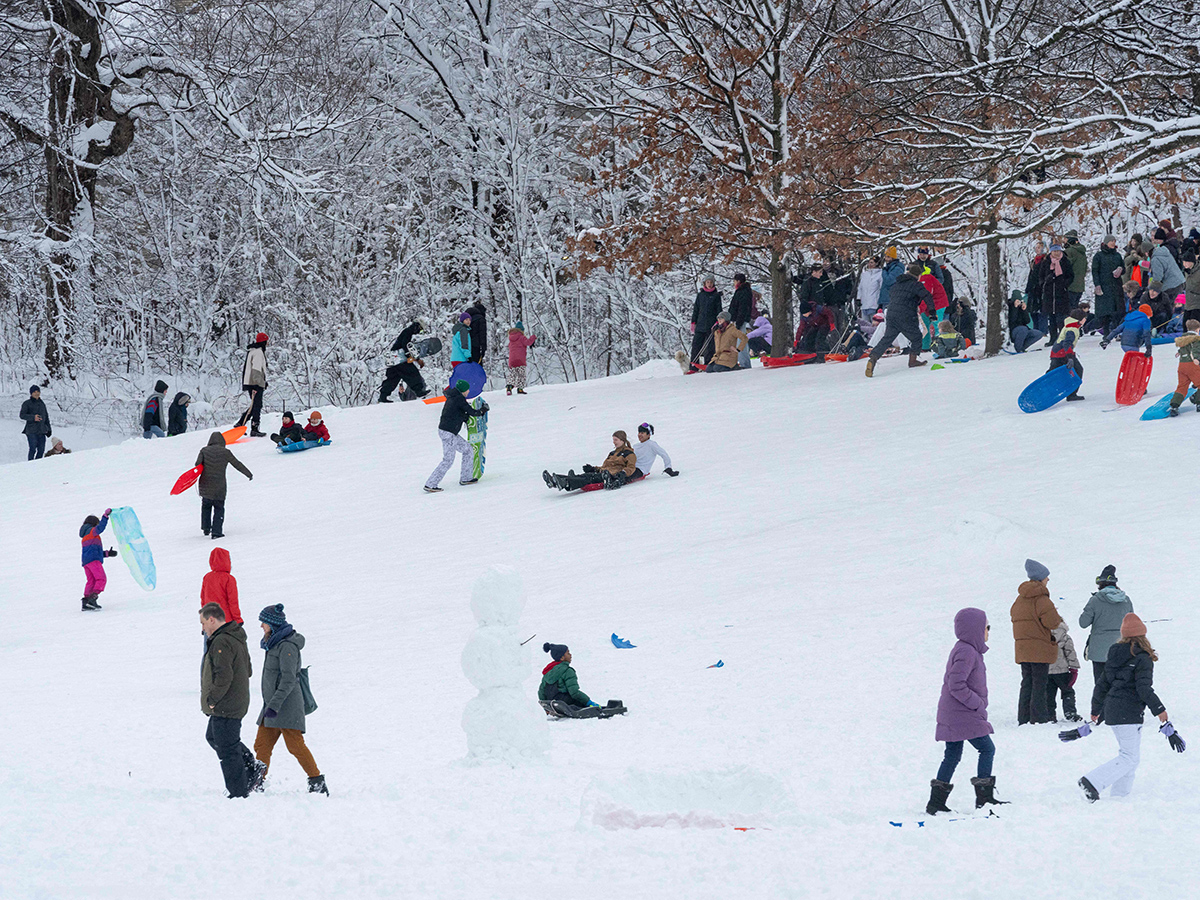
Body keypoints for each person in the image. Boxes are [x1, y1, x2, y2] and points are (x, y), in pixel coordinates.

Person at [1075, 614, 1178, 802]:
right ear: (1143, 636)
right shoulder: (1142, 658)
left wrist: (1096, 709)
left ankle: (1120, 796)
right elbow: (1143, 688)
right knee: (1129, 757)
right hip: (1128, 712)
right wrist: (1160, 710)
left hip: (1115, 711)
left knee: (1131, 758)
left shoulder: (1114, 655)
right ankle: (1091, 782)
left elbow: (1102, 684)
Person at [927, 608, 1004, 816]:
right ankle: (984, 798)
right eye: (986, 627)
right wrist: (977, 703)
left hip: (955, 713)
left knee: (952, 755)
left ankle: (936, 803)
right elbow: (956, 684)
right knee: (987, 749)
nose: (988, 631)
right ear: (975, 629)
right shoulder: (967, 651)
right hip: (963, 714)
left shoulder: (966, 649)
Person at [253, 604, 327, 795]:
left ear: (273, 624)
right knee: (262, 745)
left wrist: (274, 705)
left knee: (295, 746)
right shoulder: (274, 643)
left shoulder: (287, 646)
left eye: (264, 622)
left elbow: (288, 679)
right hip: (272, 706)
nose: (261, 625)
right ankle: (256, 782)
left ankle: (317, 782)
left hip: (286, 706)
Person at [199, 602, 264, 798]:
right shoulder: (236, 637)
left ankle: (238, 792)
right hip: (236, 700)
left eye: (203, 623)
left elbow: (223, 676)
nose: (202, 628)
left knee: (227, 750)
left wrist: (212, 699)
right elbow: (248, 669)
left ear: (212, 619)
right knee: (214, 737)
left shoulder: (221, 642)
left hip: (226, 703)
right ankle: (252, 767)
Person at [1011, 559, 1063, 725]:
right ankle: (1038, 718)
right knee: (1040, 684)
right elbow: (1053, 622)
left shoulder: (1019, 599)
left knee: (1026, 683)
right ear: (1041, 579)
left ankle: (1024, 717)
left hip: (1023, 648)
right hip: (1039, 648)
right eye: (1047, 578)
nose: (1048, 581)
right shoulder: (1041, 600)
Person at [865, 262, 932, 377]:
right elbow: (927, 296)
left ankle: (873, 359)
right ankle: (913, 360)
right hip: (906, 314)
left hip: (891, 313)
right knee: (916, 337)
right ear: (918, 275)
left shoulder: (896, 284)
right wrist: (932, 312)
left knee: (887, 339)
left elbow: (892, 295)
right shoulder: (916, 284)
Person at [424, 379, 488, 493]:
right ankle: (431, 484)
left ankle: (466, 478)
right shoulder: (459, 399)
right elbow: (472, 411)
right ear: (464, 390)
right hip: (448, 433)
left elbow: (456, 412)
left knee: (468, 449)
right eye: (468, 389)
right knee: (448, 460)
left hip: (448, 432)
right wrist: (483, 410)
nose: (468, 391)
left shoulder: (453, 397)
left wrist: (464, 417)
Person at [1078, 565, 1134, 684]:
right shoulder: (1126, 600)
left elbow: (1083, 623)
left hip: (1099, 653)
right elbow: (1132, 624)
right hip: (1121, 650)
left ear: (1100, 584)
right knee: (1118, 686)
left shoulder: (1095, 600)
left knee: (1101, 687)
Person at [195, 432, 253, 539]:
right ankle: (216, 532)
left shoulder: (204, 451)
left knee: (206, 506)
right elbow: (237, 464)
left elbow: (197, 465)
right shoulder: (225, 452)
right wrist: (248, 473)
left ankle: (206, 528)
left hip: (205, 484)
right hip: (219, 486)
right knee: (219, 508)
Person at [542, 431, 638, 492]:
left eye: (616, 440)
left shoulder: (629, 454)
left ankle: (565, 482)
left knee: (588, 478)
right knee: (584, 475)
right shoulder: (612, 453)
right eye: (613, 440)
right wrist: (593, 468)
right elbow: (604, 466)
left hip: (611, 475)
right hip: (604, 472)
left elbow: (631, 467)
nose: (614, 442)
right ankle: (555, 480)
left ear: (622, 440)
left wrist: (623, 474)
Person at [378, 319, 429, 402]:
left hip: (393, 359)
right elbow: (405, 345)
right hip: (400, 359)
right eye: (421, 330)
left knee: (392, 378)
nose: (419, 332)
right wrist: (410, 357)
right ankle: (419, 392)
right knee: (413, 373)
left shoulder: (406, 332)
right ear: (417, 327)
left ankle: (383, 397)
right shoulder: (407, 332)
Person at [538, 643, 597, 713]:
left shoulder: (548, 672)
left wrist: (546, 706)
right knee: (581, 702)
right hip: (566, 704)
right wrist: (588, 702)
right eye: (568, 653)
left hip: (553, 705)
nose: (570, 655)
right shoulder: (568, 671)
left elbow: (541, 692)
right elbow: (574, 692)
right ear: (562, 657)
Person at [79, 508, 117, 611]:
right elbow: (100, 528)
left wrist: (108, 553)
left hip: (86, 562)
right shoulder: (92, 532)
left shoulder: (85, 537)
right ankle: (92, 599)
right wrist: (105, 516)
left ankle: (86, 602)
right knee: (101, 579)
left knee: (91, 581)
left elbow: (94, 552)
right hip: (94, 561)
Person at [1037, 243, 1074, 344]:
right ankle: (1053, 338)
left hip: (1061, 293)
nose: (1056, 253)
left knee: (1061, 318)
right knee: (1051, 318)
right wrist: (1045, 282)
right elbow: (1040, 276)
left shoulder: (1065, 262)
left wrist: (1064, 284)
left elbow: (1071, 276)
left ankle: (1062, 337)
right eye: (1054, 251)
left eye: (1058, 251)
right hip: (1049, 294)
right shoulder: (1046, 262)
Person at [1047, 622, 1082, 723]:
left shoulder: (1042, 635)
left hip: (1046, 671)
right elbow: (1070, 652)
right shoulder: (1064, 636)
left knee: (1049, 694)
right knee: (1067, 691)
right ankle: (1070, 713)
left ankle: (1050, 715)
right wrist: (1074, 668)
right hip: (1062, 671)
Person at [235, 333, 268, 437]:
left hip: (252, 382)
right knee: (257, 405)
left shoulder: (254, 351)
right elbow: (256, 370)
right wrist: (258, 384)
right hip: (254, 383)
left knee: (254, 405)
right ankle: (254, 428)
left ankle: (240, 424)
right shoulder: (258, 352)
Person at [1092, 235, 1126, 335]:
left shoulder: (1117, 255)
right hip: (1104, 286)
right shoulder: (1098, 256)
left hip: (1116, 286)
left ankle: (1116, 332)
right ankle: (1106, 333)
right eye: (1111, 241)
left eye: (1114, 241)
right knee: (1105, 312)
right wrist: (1097, 285)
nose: (1113, 243)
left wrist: (1120, 269)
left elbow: (1123, 268)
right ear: (1106, 242)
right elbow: (1095, 271)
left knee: (1117, 311)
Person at [1167, 319, 1200, 416]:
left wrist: (1179, 352)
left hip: (1182, 366)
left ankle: (1174, 406)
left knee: (1182, 386)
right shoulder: (1196, 339)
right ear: (1197, 329)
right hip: (1192, 365)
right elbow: (1196, 350)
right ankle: (1199, 403)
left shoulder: (1183, 338)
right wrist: (1197, 359)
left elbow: (1183, 349)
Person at [201, 547, 242, 624]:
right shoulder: (229, 579)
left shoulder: (207, 577)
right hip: (225, 621)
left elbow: (203, 600)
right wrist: (237, 619)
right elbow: (233, 601)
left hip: (210, 621)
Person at [689, 274, 723, 369]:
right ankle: (693, 365)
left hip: (711, 325)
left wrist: (718, 322)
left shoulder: (716, 296)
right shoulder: (700, 295)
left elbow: (719, 310)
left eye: (711, 282)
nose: (709, 284)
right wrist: (693, 322)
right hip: (700, 324)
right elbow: (696, 309)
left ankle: (709, 364)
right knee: (696, 345)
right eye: (707, 282)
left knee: (710, 347)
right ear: (704, 283)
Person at [1046, 330, 1084, 402]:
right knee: (1078, 370)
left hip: (1057, 352)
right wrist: (1070, 357)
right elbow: (1066, 344)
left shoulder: (1069, 325)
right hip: (1063, 353)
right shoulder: (1072, 328)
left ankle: (1044, 391)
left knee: (1052, 374)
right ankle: (1071, 394)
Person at [1152, 227, 1187, 299]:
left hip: (1171, 284)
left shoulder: (1163, 252)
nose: (1156, 242)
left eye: (1158, 239)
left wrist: (1152, 288)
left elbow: (1158, 276)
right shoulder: (1167, 249)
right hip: (1178, 280)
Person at [20, 385, 51, 460]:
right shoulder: (27, 403)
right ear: (31, 393)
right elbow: (22, 415)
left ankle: (37, 465)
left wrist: (49, 429)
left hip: (42, 430)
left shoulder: (42, 404)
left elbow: (46, 417)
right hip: (31, 430)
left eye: (38, 391)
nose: (36, 393)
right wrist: (33, 417)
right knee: (33, 448)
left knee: (41, 450)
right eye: (34, 392)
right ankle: (30, 464)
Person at [506, 322, 536, 395]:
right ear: (521, 330)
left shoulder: (511, 339)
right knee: (521, 374)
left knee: (513, 374)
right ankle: (520, 389)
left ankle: (509, 387)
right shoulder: (521, 337)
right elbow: (528, 343)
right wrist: (533, 337)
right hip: (520, 359)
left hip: (512, 360)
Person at [1025, 241, 1047, 334]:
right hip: (1032, 290)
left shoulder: (1045, 261)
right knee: (1033, 311)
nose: (1037, 249)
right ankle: (1036, 332)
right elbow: (1031, 276)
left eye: (1039, 247)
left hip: (1041, 289)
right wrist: (1028, 288)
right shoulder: (1034, 261)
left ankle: (1043, 332)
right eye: (1036, 247)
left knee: (1042, 312)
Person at [1063, 230, 1087, 309]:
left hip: (1070, 286)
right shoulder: (1082, 252)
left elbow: (1064, 267)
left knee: (1068, 311)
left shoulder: (1069, 252)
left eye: (1065, 239)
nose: (1064, 241)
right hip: (1080, 286)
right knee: (1075, 311)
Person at [466, 300, 488, 364]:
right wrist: (483, 347)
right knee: (477, 364)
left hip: (466, 346)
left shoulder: (467, 319)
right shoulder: (481, 319)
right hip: (476, 346)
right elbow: (482, 334)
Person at [1182, 252, 1200, 326]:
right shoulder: (1186, 271)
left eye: (1187, 262)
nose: (1185, 264)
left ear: (1192, 262)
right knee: (1185, 325)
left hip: (1197, 304)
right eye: (1184, 262)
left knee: (1193, 325)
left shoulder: (1198, 272)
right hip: (1188, 303)